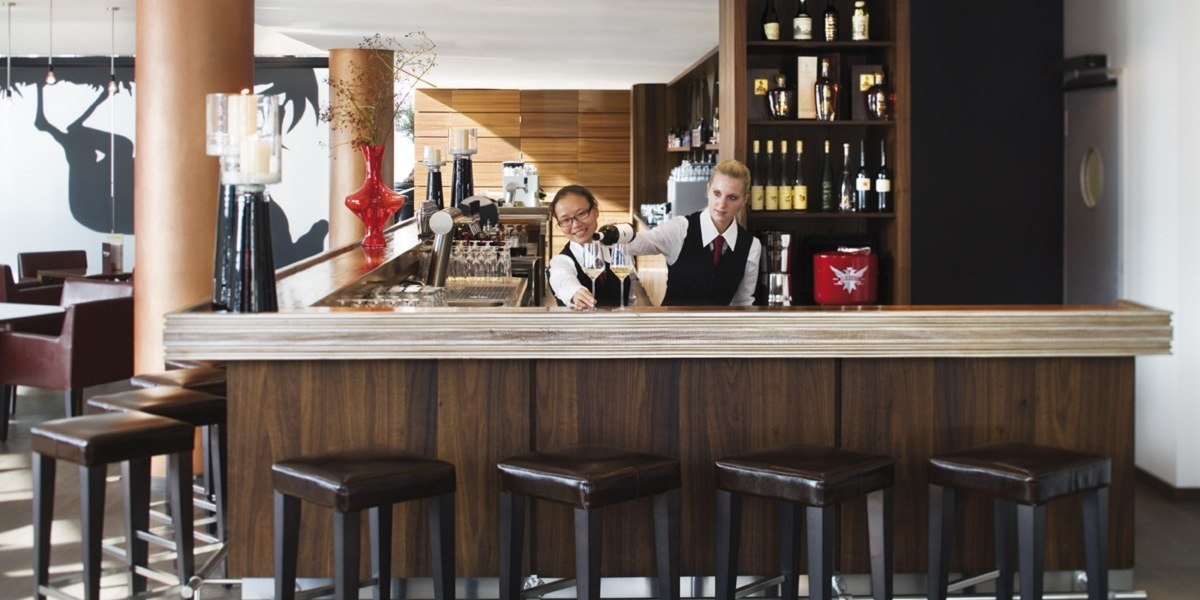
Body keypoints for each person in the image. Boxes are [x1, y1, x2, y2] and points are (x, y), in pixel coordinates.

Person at [628, 159, 760, 306]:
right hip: (673, 327)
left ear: (744, 200)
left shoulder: (751, 246)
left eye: (732, 197)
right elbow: (639, 243)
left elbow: (742, 302)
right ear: (708, 190)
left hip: (719, 328)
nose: (722, 204)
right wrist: (615, 235)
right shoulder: (680, 229)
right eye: (717, 193)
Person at [547, 185, 630, 309]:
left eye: (581, 213)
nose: (576, 224)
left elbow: (631, 296)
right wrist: (575, 292)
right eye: (565, 220)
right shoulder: (561, 261)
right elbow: (562, 278)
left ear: (595, 210)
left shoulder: (617, 250)